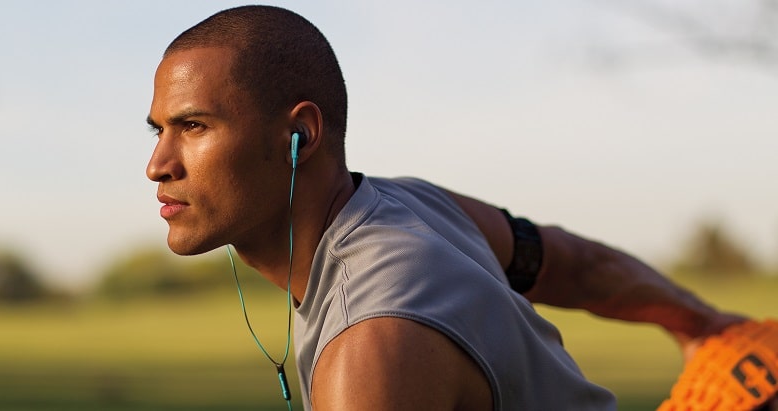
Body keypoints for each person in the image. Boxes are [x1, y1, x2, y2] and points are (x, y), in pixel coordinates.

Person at [145, 5, 746, 410]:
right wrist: (708, 327)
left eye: (193, 125)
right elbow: (570, 262)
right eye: (158, 131)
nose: (159, 164)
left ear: (298, 133)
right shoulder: (406, 204)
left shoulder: (371, 347)